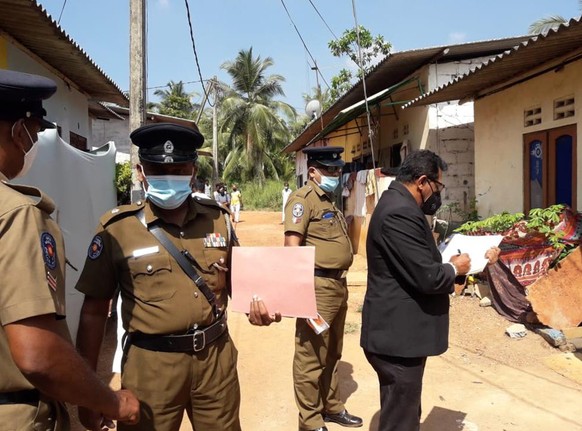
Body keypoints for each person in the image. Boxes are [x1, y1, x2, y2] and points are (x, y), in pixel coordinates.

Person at [74, 122, 280, 431]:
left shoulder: (218, 219)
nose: (168, 177)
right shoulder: (117, 230)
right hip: (151, 368)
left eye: (180, 169)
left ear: (194, 171)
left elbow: (242, 284)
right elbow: (92, 312)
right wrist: (88, 395)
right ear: (141, 172)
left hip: (215, 362)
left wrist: (260, 307)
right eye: (157, 169)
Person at [0, 69, 139, 431]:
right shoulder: (16, 215)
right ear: (18, 133)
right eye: (32, 135)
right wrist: (112, 402)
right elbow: (37, 355)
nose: (31, 146)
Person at [361, 150, 499, 431]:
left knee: (402, 412)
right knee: (401, 420)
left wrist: (476, 262)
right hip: (397, 339)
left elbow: (418, 265)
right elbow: (427, 277)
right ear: (422, 182)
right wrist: (453, 269)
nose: (439, 194)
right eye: (438, 186)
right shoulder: (400, 212)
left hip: (399, 336)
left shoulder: (398, 204)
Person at [284, 147, 363, 431]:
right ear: (313, 171)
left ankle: (331, 407)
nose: (335, 175)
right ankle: (310, 420)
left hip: (337, 285)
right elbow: (291, 249)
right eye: (329, 170)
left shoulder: (329, 200)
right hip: (316, 287)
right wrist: (300, 296)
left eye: (337, 170)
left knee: (332, 352)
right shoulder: (303, 200)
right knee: (310, 356)